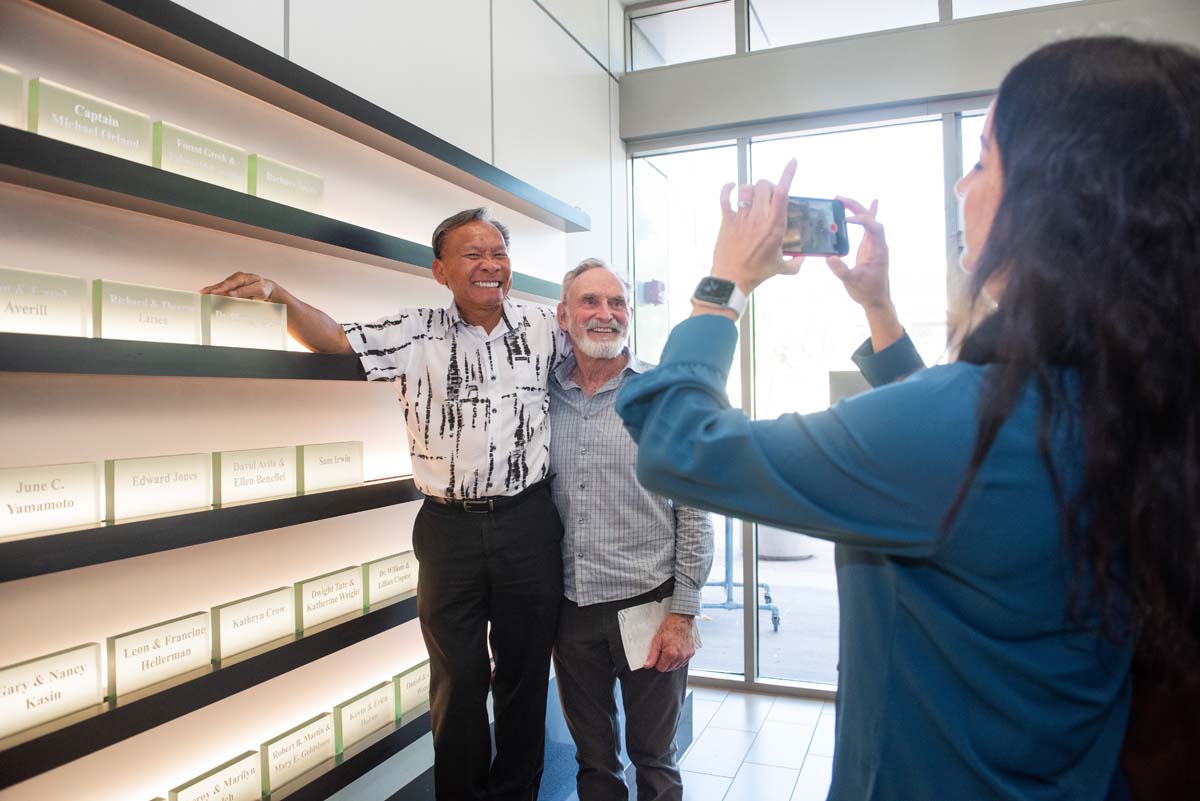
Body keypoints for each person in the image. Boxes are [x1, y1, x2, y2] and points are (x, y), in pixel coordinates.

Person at [615, 36, 1200, 801]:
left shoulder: (961, 430)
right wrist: (880, 308)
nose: (961, 182)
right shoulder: (1126, 397)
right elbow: (959, 464)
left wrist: (722, 282)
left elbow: (680, 446)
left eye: (982, 158)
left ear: (1052, 194)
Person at [202, 208, 566, 801]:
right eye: (473, 254)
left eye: (498, 253)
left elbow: (600, 362)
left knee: (525, 679)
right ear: (440, 270)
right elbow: (333, 338)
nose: (490, 265)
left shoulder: (545, 326)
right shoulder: (415, 330)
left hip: (528, 521)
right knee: (457, 680)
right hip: (448, 530)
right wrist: (277, 295)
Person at [548, 258, 713, 801]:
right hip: (571, 612)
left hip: (651, 607)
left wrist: (683, 613)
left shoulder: (661, 393)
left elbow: (695, 510)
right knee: (594, 763)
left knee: (656, 760)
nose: (605, 313)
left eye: (616, 302)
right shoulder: (542, 397)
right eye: (590, 302)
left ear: (630, 315)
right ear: (563, 316)